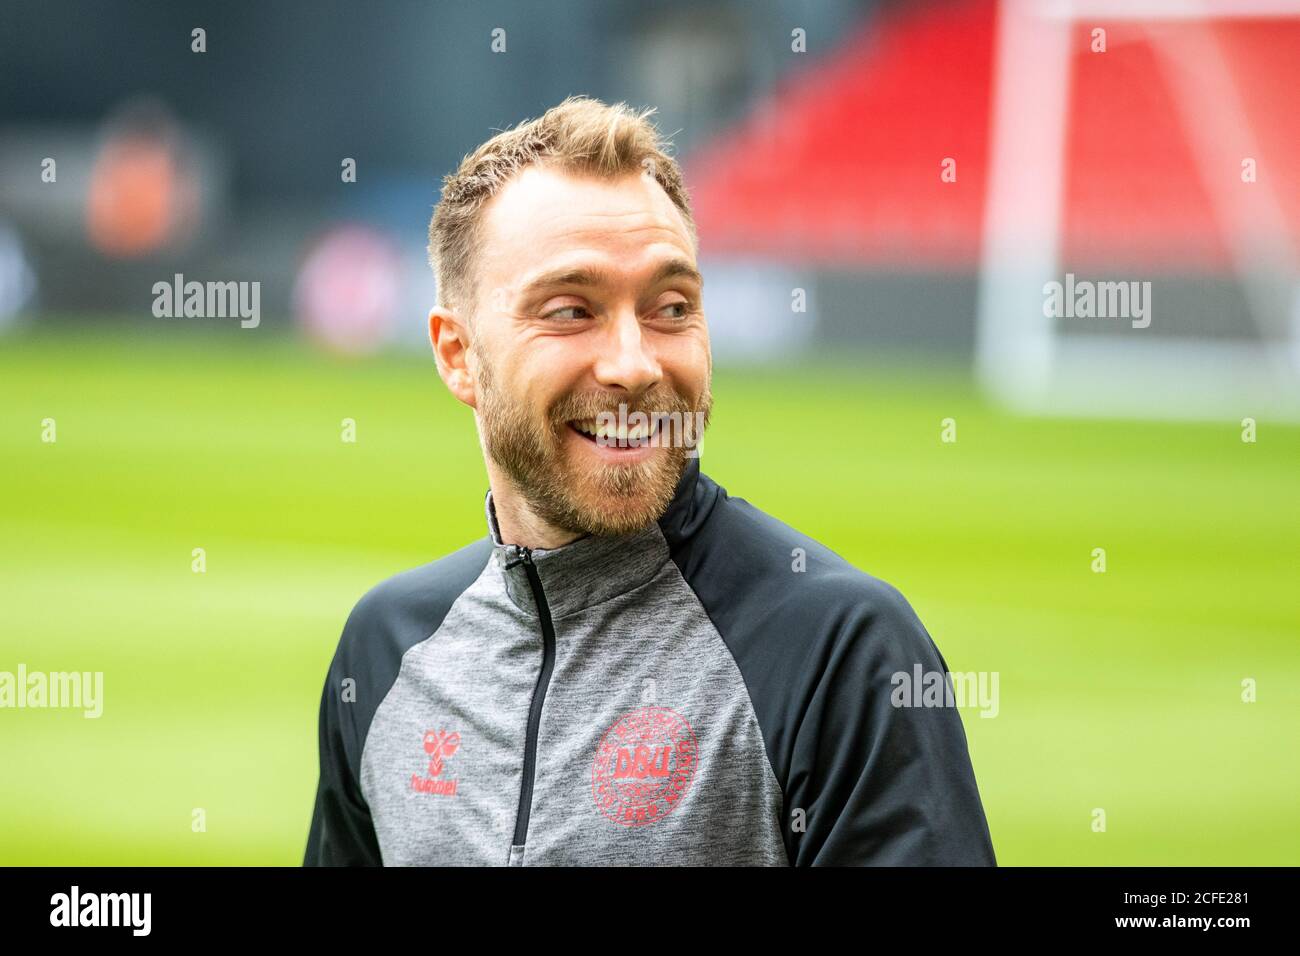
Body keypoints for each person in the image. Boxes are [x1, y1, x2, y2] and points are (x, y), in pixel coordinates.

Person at [304, 95, 996, 866]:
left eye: (671, 307)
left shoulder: (841, 650)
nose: (634, 364)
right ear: (458, 354)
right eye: (571, 311)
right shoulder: (387, 650)